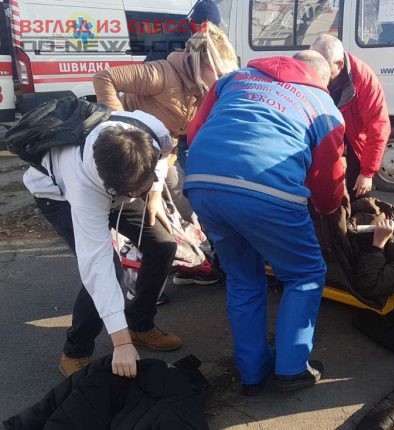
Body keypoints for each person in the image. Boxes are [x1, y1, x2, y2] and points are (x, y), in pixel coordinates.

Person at [184, 51, 346, 395]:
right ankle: (291, 368)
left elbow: (195, 129)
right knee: (304, 274)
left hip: (202, 182)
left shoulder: (235, 79)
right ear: (321, 77)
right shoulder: (322, 105)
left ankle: (252, 374)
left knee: (244, 278)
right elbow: (328, 181)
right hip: (267, 189)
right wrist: (326, 207)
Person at [21, 110, 182, 378]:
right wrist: (121, 344)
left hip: (123, 186)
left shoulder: (151, 129)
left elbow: (164, 157)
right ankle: (76, 351)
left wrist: (153, 193)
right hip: (57, 195)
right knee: (111, 268)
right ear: (112, 186)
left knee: (162, 244)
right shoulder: (84, 188)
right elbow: (96, 265)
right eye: (136, 192)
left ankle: (139, 324)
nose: (140, 194)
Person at [93, 24, 238, 286]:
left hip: (162, 156)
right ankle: (137, 284)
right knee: (144, 218)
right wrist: (119, 127)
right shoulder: (162, 74)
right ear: (201, 61)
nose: (220, 78)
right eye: (216, 70)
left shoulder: (200, 89)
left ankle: (190, 263)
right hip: (130, 154)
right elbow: (104, 77)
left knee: (185, 204)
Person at [310, 34, 390, 197]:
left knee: (357, 188)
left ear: (339, 64)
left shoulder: (364, 80)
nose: (317, 74)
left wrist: (367, 173)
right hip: (322, 133)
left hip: (353, 137)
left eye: (323, 68)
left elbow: (378, 126)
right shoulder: (310, 70)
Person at [144, 0, 221, 62]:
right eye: (206, 27)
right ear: (194, 23)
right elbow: (149, 67)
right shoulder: (174, 39)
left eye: (214, 28)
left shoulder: (216, 42)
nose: (210, 32)